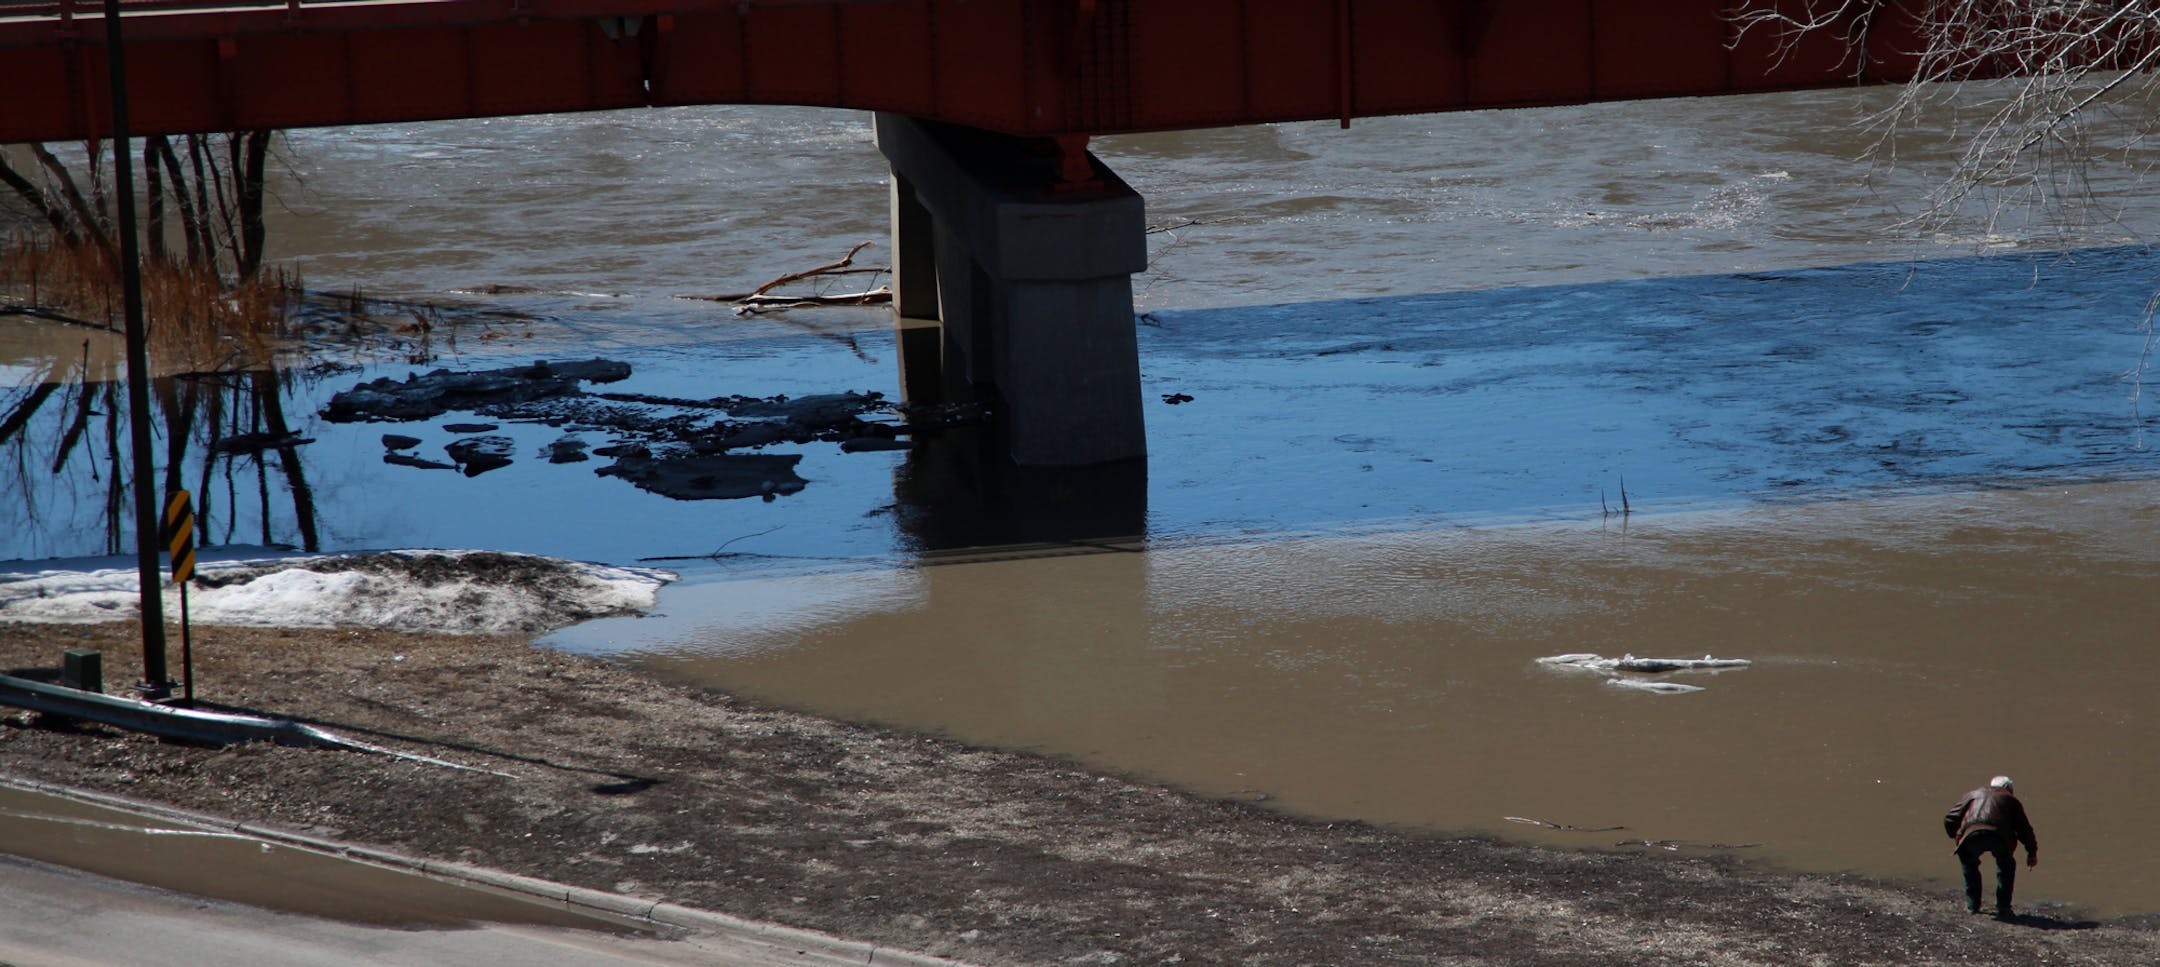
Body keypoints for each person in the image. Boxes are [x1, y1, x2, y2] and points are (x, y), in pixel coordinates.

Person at [1943, 776, 2038, 917]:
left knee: (1969, 866)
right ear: (2006, 788)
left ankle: (1972, 906)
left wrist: (1957, 837)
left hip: (1970, 834)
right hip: (1999, 837)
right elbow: (2024, 829)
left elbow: (1950, 818)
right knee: (2006, 867)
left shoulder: (1972, 794)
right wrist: (2031, 852)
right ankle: (2004, 908)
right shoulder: (2010, 799)